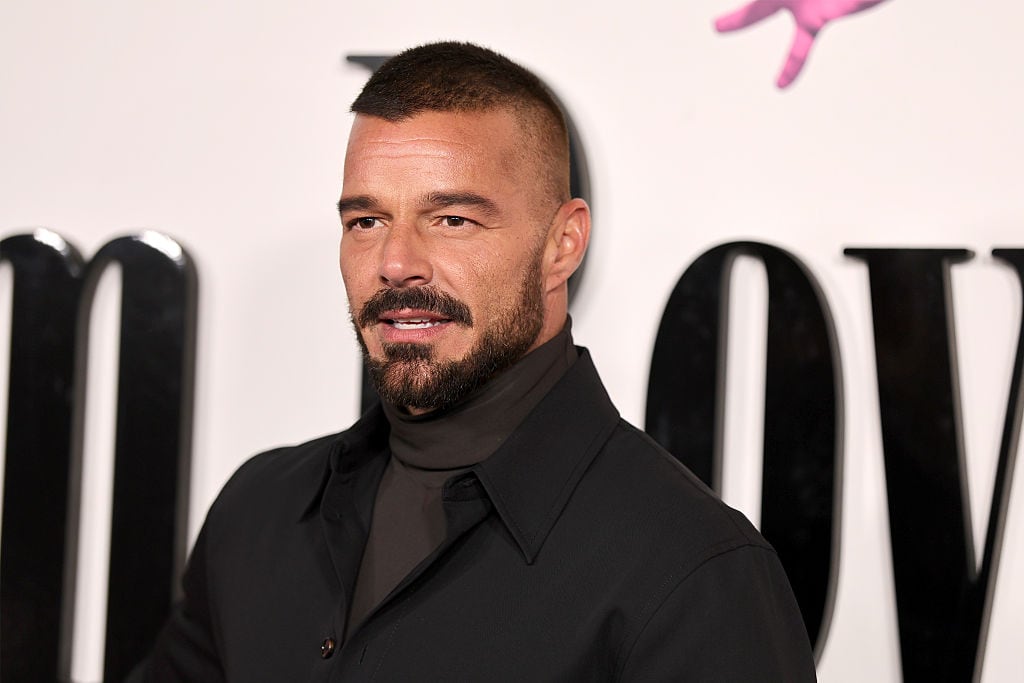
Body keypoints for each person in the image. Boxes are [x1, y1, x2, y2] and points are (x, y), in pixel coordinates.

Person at [132, 42, 817, 681]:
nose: (395, 263)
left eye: (452, 219)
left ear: (562, 244)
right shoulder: (258, 513)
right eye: (366, 221)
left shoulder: (692, 573)